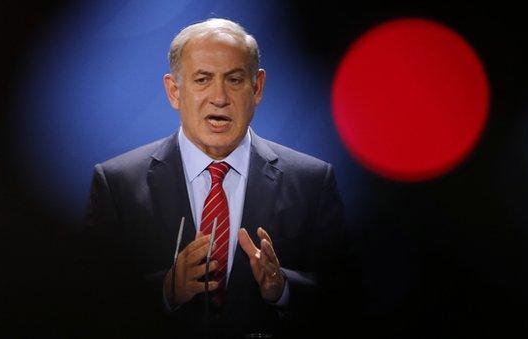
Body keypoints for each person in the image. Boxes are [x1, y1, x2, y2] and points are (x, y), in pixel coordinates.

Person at [84, 18, 360, 338]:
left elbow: (346, 298)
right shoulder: (117, 184)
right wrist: (165, 292)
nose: (219, 97)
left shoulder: (312, 181)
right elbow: (89, 300)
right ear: (174, 91)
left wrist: (283, 289)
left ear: (256, 88)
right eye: (202, 79)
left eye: (234, 80)